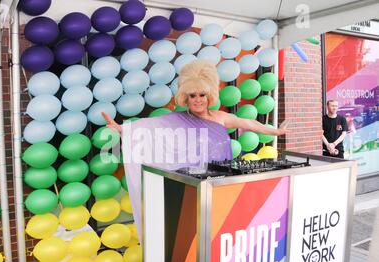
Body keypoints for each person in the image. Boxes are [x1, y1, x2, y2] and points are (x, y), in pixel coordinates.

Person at [102, 60, 290, 238]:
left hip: (222, 183)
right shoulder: (176, 120)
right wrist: (121, 129)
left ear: (210, 96)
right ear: (185, 97)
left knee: (221, 226)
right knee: (195, 231)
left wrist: (276, 131)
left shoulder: (220, 117)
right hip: (194, 187)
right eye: (193, 95)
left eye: (202, 95)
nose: (198, 100)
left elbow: (248, 122)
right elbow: (148, 127)